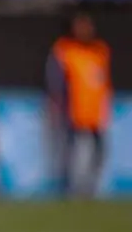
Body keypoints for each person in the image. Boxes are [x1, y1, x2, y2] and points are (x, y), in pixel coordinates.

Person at [46, 10, 112, 198]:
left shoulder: (100, 50)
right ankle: (69, 192)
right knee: (71, 154)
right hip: (73, 112)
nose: (85, 30)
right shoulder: (65, 50)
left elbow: (103, 82)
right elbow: (55, 81)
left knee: (98, 155)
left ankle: (92, 190)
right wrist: (56, 103)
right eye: (81, 25)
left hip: (96, 113)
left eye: (88, 25)